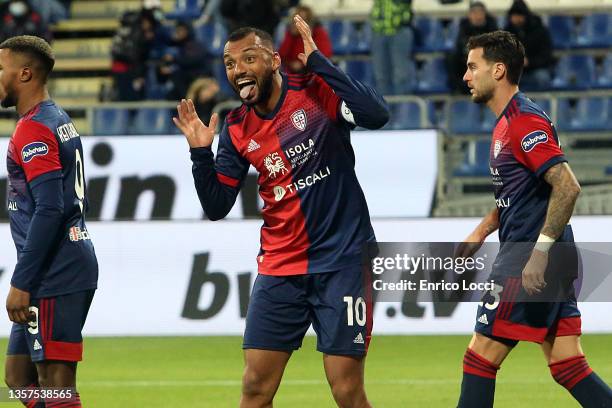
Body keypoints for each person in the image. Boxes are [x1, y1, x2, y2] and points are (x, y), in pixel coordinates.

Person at [173, 16, 389, 408]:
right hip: (280, 267)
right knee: (255, 389)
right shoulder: (237, 127)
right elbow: (217, 206)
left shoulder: (316, 91)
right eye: (230, 64)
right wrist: (200, 153)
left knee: (346, 390)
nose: (238, 70)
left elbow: (377, 114)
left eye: (248, 59)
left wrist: (321, 63)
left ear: (274, 60)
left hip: (343, 261)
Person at [456, 30, 612, 407]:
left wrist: (539, 253)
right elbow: (518, 194)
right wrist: (481, 230)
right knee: (567, 363)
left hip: (528, 259)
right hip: (546, 256)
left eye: (472, 66)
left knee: (479, 358)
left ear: (498, 70)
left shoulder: (523, 121)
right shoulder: (506, 123)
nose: (465, 76)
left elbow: (567, 185)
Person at [1, 35, 98, 407]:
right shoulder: (54, 118)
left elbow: (50, 208)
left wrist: (22, 281)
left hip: (55, 271)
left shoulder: (34, 129)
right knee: (17, 376)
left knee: (56, 382)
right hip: (54, 266)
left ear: (24, 73)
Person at [447, 1, 497, 93]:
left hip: (486, 60)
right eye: (474, 13)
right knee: (451, 57)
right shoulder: (464, 26)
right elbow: (461, 45)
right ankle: (459, 87)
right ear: (469, 15)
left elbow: (495, 46)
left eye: (479, 12)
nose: (477, 16)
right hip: (468, 59)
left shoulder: (492, 26)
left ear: (484, 14)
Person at [504, 0, 554, 91]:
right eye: (514, 16)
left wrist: (529, 62)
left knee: (542, 77)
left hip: (536, 69)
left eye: (519, 15)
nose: (516, 19)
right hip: (515, 72)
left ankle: (540, 104)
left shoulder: (540, 31)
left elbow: (546, 56)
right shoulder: (507, 33)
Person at [156, 20, 210, 101]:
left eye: (181, 30)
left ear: (188, 31)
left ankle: (188, 102)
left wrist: (174, 59)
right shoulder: (178, 46)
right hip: (185, 84)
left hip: (199, 80)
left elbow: (192, 61)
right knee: (170, 95)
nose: (179, 33)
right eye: (177, 30)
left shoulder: (195, 45)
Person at [370, 0, 415, 95]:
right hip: (378, 30)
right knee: (381, 76)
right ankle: (383, 108)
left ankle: (403, 108)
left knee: (401, 75)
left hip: (400, 29)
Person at [278, 5, 332, 74]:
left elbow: (324, 55)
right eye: (297, 19)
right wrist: (291, 36)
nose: (300, 23)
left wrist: (303, 64)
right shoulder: (291, 33)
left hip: (313, 73)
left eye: (304, 19)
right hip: (292, 73)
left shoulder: (319, 32)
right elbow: (282, 55)